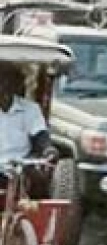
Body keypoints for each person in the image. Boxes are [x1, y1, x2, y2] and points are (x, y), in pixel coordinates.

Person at [0, 62, 54, 197]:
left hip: (20, 167)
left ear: (16, 85)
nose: (3, 87)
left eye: (8, 82)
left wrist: (48, 150)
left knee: (39, 183)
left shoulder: (30, 109)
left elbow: (41, 136)